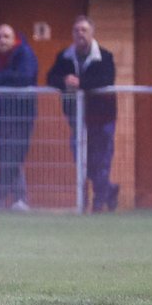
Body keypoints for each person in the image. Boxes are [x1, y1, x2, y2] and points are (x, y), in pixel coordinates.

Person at [46, 16, 119, 211]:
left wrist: (80, 83)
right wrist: (64, 81)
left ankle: (98, 203)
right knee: (82, 161)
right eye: (77, 30)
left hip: (102, 118)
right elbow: (50, 78)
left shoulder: (105, 56)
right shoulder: (64, 57)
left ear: (92, 32)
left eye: (84, 30)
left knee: (101, 160)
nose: (80, 34)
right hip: (76, 118)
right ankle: (107, 191)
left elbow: (106, 79)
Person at [0, 24, 37, 211]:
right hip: (1, 113)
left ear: (14, 39)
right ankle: (18, 198)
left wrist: (1, 78)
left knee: (15, 154)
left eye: (6, 36)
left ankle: (1, 194)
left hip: (23, 114)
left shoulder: (25, 53)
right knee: (5, 154)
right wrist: (9, 77)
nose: (2, 40)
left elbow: (25, 77)